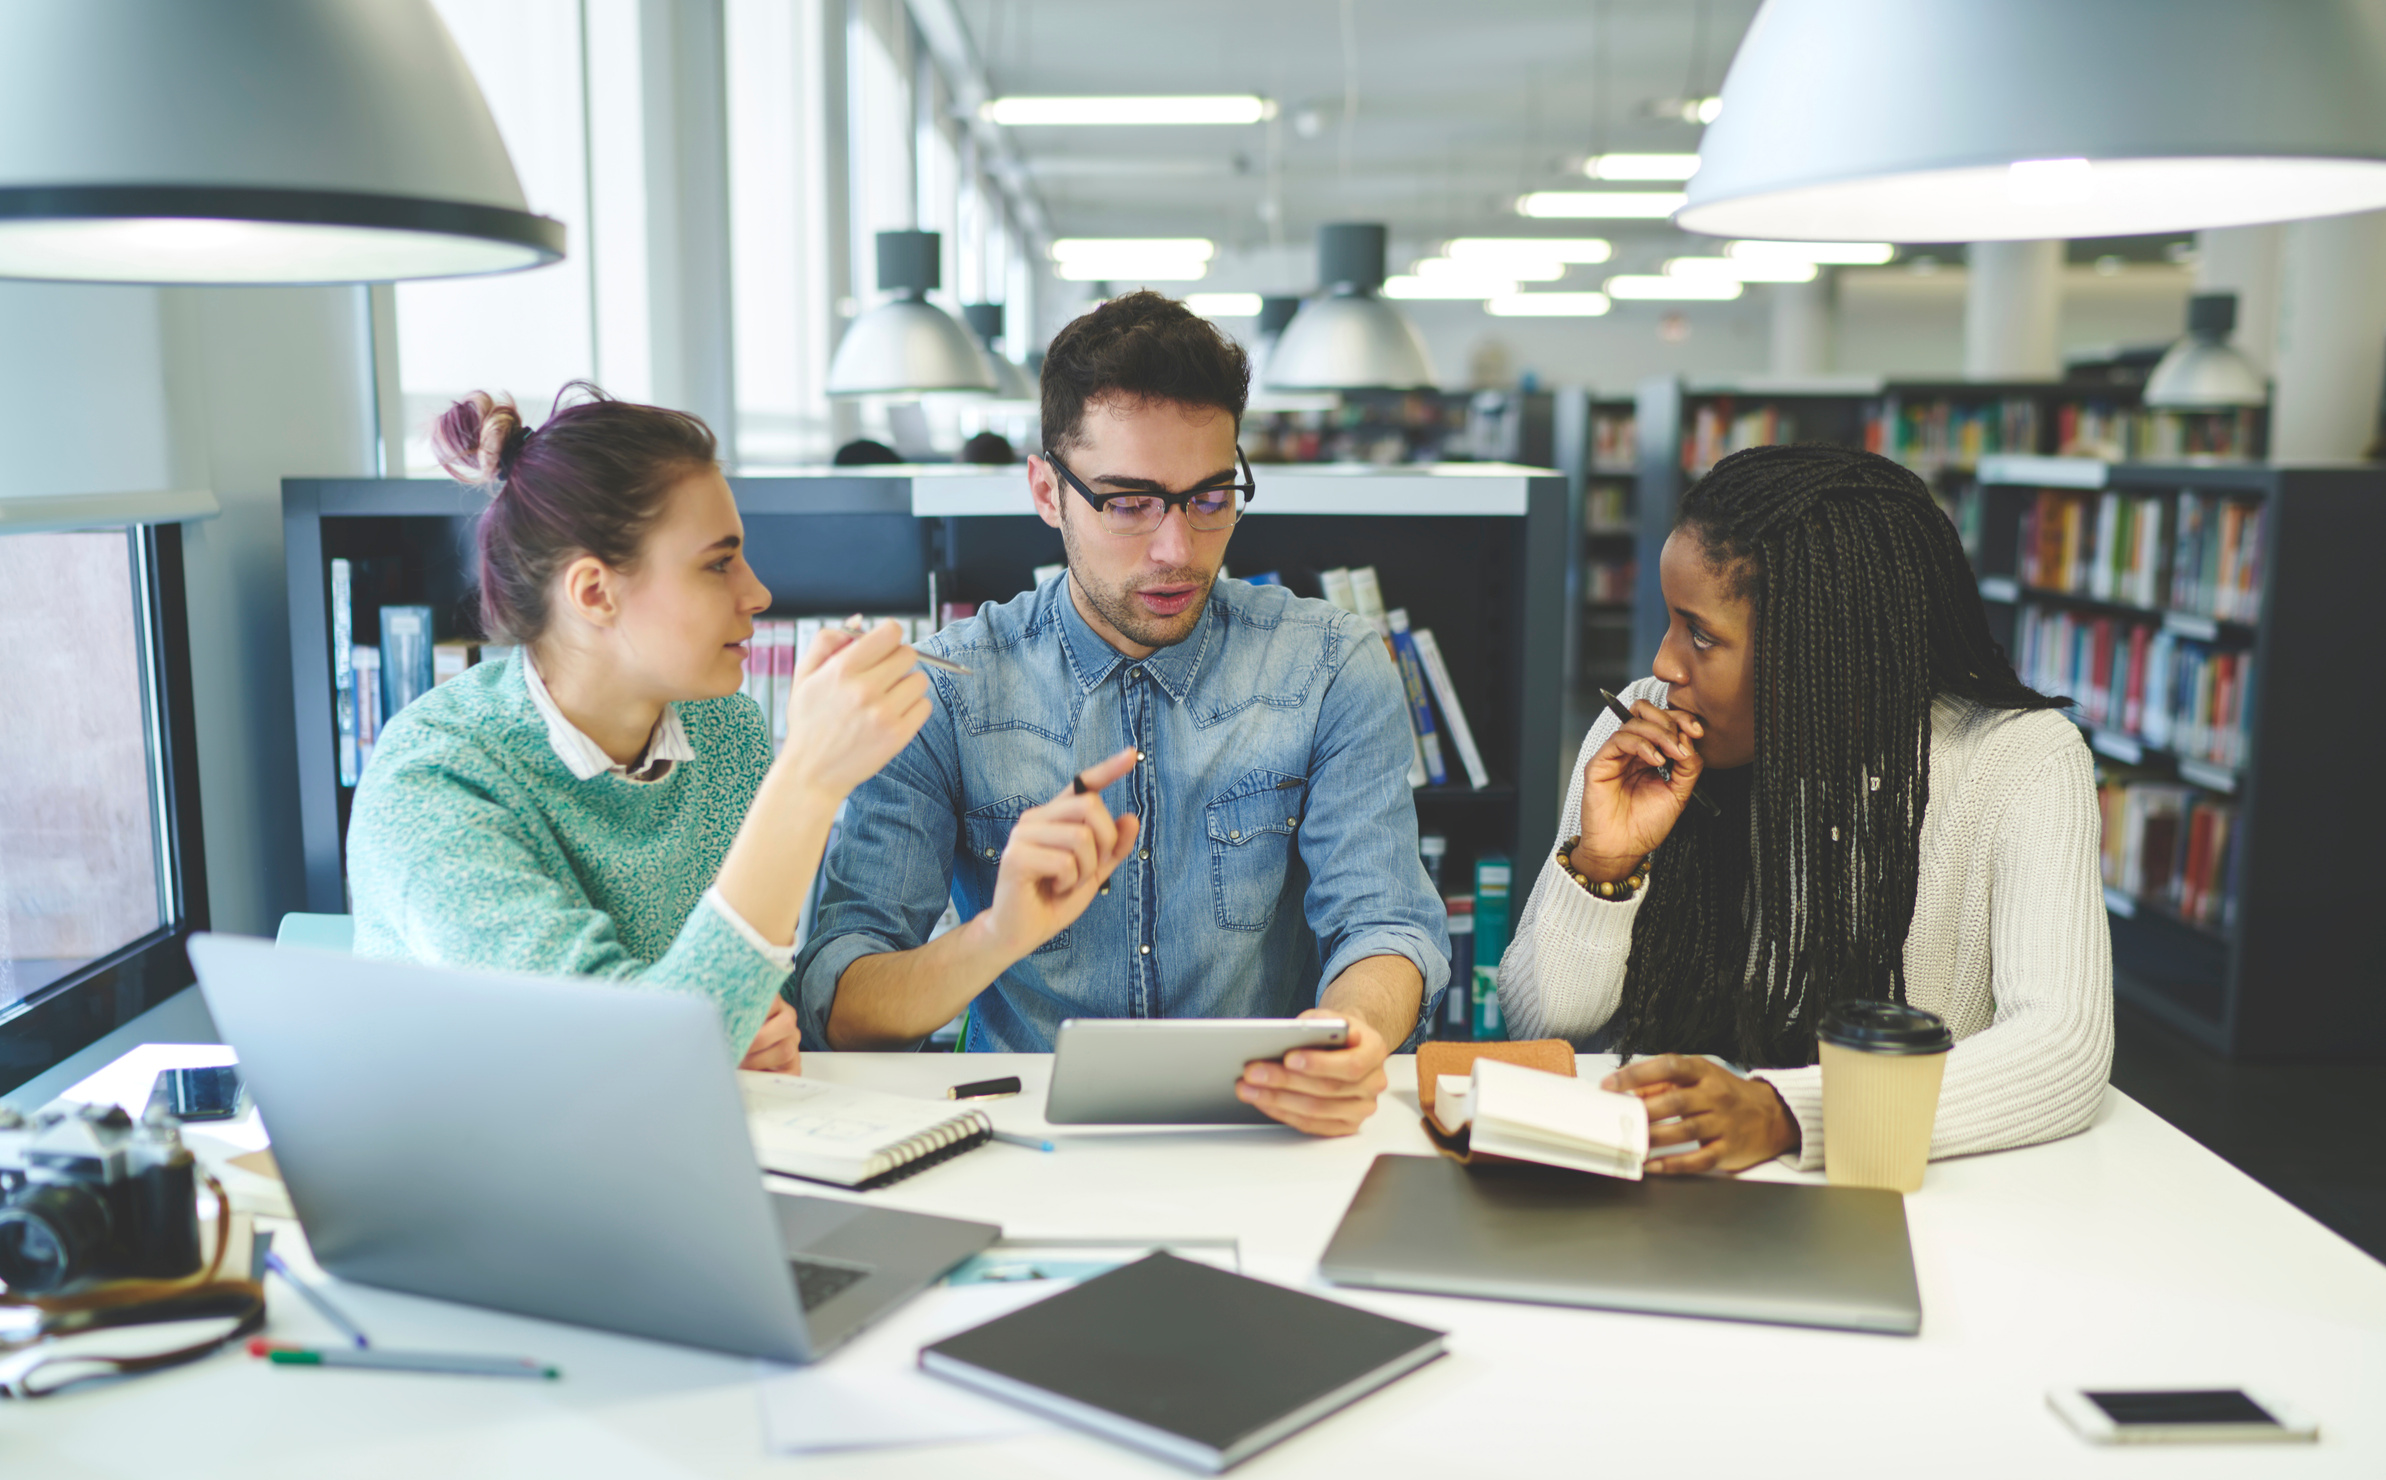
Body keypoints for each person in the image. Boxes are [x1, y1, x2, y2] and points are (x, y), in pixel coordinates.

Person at [794, 291, 1448, 1136]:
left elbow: (1385, 921)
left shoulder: (1330, 666)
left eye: (1210, 497)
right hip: (1021, 1139)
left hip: (1260, 1134)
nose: (1177, 548)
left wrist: (1354, 1033)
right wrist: (997, 932)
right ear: (1045, 491)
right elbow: (840, 995)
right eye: (1129, 502)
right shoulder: (949, 685)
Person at [1499, 442, 2111, 1174]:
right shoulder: (1641, 733)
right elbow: (1538, 1023)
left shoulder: (2023, 761)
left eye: (1700, 635)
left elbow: (2063, 1048)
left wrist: (1785, 1112)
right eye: (1670, 622)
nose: (1663, 665)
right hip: (1661, 1175)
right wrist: (1603, 865)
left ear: (1826, 647)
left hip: (1890, 1195)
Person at [347, 384, 931, 1072]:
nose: (757, 594)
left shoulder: (723, 731)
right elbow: (626, 1057)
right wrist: (807, 779)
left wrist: (762, 1023)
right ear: (594, 592)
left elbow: (726, 1003)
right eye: (718, 564)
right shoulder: (432, 784)